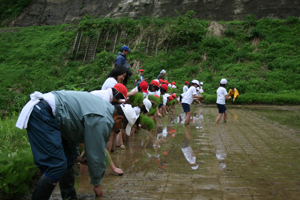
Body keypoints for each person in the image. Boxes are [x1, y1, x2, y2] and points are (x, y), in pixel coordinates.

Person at [15, 90, 137, 199]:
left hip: (53, 116)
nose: (118, 130)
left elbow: (72, 129)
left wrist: (76, 156)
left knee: (67, 162)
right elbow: (96, 153)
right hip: (43, 113)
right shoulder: (103, 119)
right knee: (56, 165)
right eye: (121, 127)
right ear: (119, 118)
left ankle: (69, 197)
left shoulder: (104, 108)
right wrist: (97, 184)